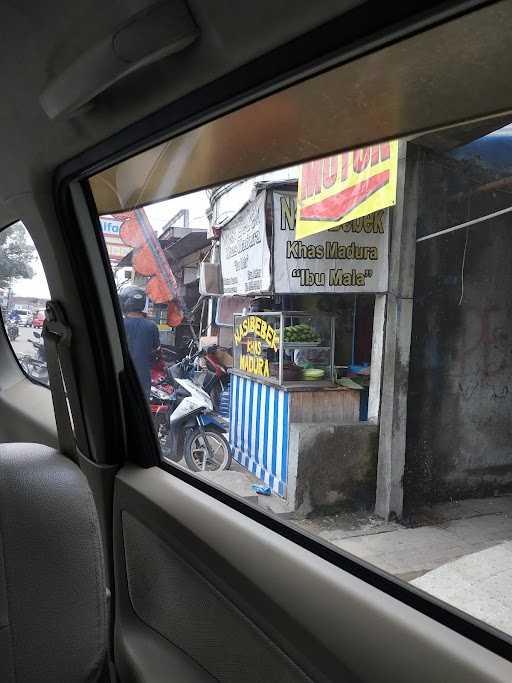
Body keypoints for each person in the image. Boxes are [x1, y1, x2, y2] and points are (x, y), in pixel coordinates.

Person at [119, 286, 160, 399]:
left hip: (121, 376)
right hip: (143, 378)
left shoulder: (118, 325)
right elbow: (155, 350)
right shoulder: (151, 326)